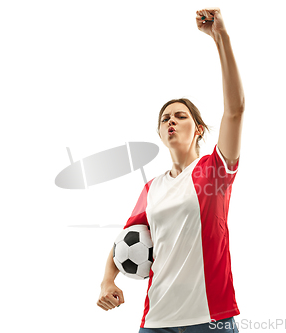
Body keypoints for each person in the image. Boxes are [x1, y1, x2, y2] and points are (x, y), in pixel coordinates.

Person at [97, 7, 245, 333]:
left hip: (209, 321)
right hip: (156, 322)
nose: (171, 121)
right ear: (160, 133)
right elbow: (123, 241)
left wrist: (221, 38)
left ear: (199, 129)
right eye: (165, 119)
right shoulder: (152, 189)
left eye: (180, 116)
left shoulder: (214, 172)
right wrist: (108, 281)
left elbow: (235, 111)